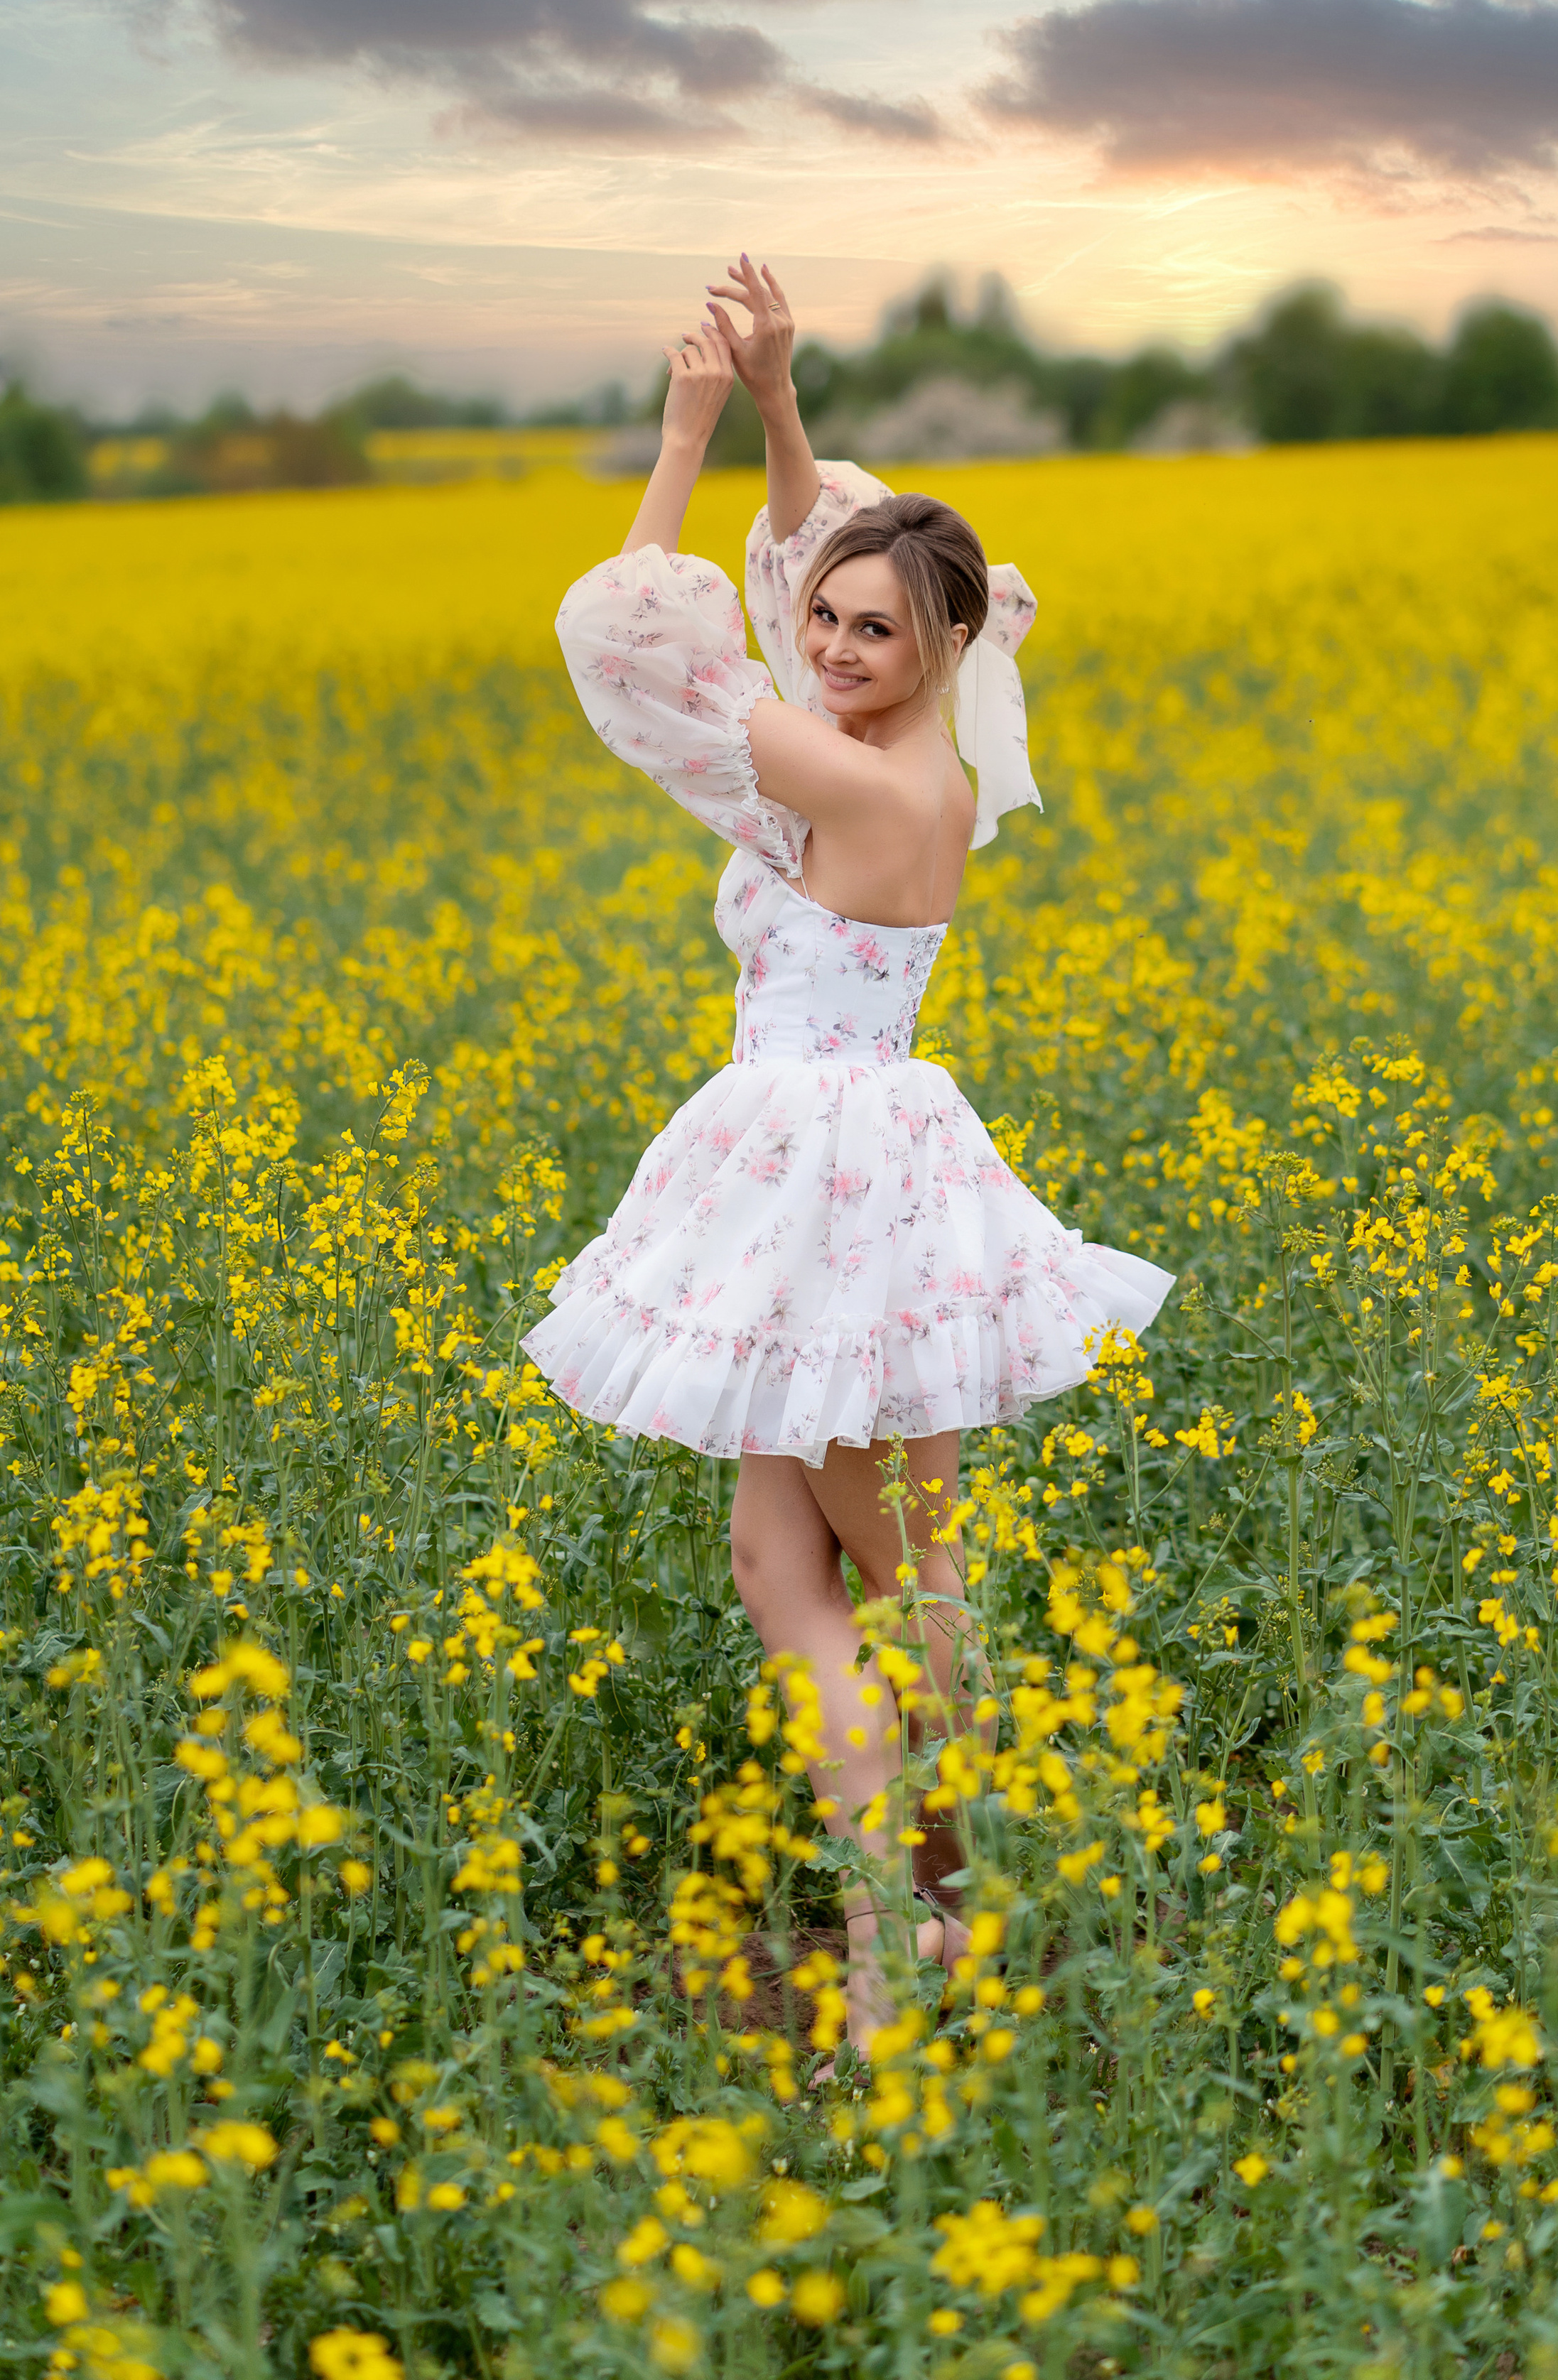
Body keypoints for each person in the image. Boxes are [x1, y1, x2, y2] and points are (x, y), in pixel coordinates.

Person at [524, 256, 1172, 2043]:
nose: (825, 646)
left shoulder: (868, 780)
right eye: (825, 625)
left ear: (941, 647)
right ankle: (947, 1895)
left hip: (823, 1174)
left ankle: (905, 1929)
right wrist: (785, 409)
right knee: (815, 1566)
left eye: (869, 633)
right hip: (859, 1164)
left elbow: (637, 640)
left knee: (891, 1574)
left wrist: (683, 430)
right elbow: (818, 557)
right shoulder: (934, 745)